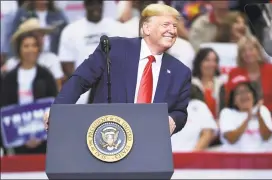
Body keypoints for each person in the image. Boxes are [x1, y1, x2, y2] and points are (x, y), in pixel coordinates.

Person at [44, 4, 192, 135]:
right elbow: (80, 80)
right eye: (166, 25)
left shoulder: (180, 72)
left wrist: (173, 120)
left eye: (174, 26)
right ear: (147, 28)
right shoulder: (113, 49)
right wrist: (58, 110)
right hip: (107, 139)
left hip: (150, 146)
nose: (172, 31)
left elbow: (180, 111)